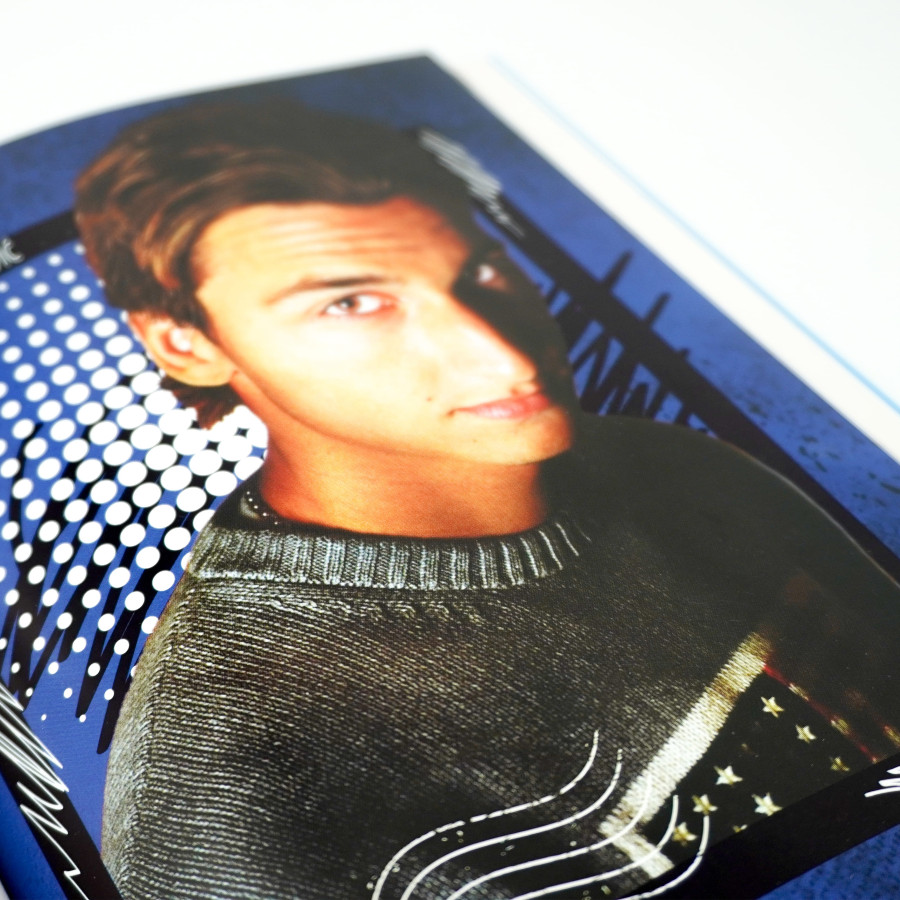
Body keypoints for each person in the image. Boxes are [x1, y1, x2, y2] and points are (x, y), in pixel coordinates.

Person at [75, 100, 900, 900]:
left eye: (479, 271)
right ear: (184, 342)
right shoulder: (227, 799)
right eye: (353, 302)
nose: (503, 354)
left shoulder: (675, 465)